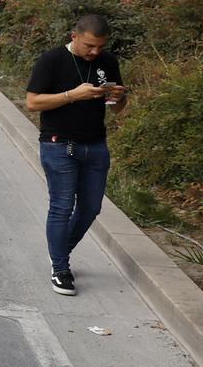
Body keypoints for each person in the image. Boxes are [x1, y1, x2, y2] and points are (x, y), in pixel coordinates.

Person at [24, 15, 127, 296]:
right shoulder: (52, 60)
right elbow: (33, 102)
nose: (94, 52)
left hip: (95, 145)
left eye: (100, 47)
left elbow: (116, 107)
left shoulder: (108, 62)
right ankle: (60, 268)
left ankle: (59, 249)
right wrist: (72, 95)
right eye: (89, 46)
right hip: (59, 145)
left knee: (91, 207)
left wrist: (117, 97)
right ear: (74, 36)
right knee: (62, 205)